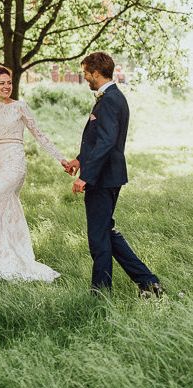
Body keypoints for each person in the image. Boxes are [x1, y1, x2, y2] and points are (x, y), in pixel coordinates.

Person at [65, 52, 163, 297]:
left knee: (98, 238)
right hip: (108, 175)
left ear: (96, 73)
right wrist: (80, 159)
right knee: (106, 232)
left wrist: (86, 175)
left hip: (103, 177)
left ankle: (100, 294)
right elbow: (99, 139)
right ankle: (149, 283)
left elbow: (107, 142)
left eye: (86, 73)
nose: (85, 77)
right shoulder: (112, 97)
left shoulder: (109, 99)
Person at [0, 66, 73, 281]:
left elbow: (39, 135)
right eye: (1, 83)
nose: (7, 86)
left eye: (9, 82)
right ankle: (6, 258)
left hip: (15, 165)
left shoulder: (20, 107)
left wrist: (61, 158)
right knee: (5, 212)